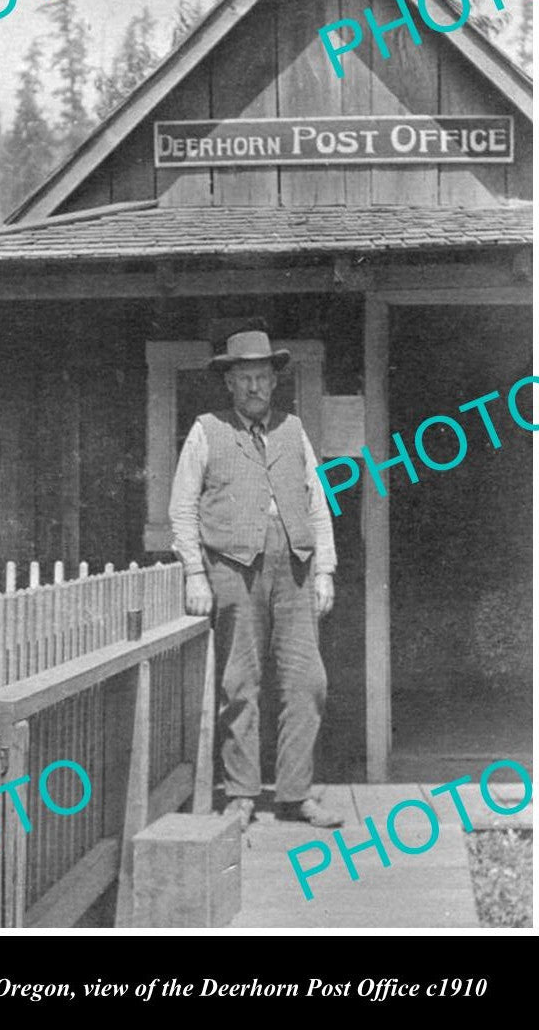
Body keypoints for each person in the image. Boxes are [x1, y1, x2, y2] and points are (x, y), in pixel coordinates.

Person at [168, 328, 342, 830]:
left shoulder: (293, 429)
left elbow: (317, 502)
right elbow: (182, 509)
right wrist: (196, 575)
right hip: (233, 571)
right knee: (240, 683)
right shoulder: (207, 430)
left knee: (308, 683)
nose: (253, 388)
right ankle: (242, 794)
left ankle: (294, 794)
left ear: (273, 381)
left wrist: (325, 570)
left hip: (295, 570)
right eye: (243, 378)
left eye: (261, 377)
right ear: (229, 383)